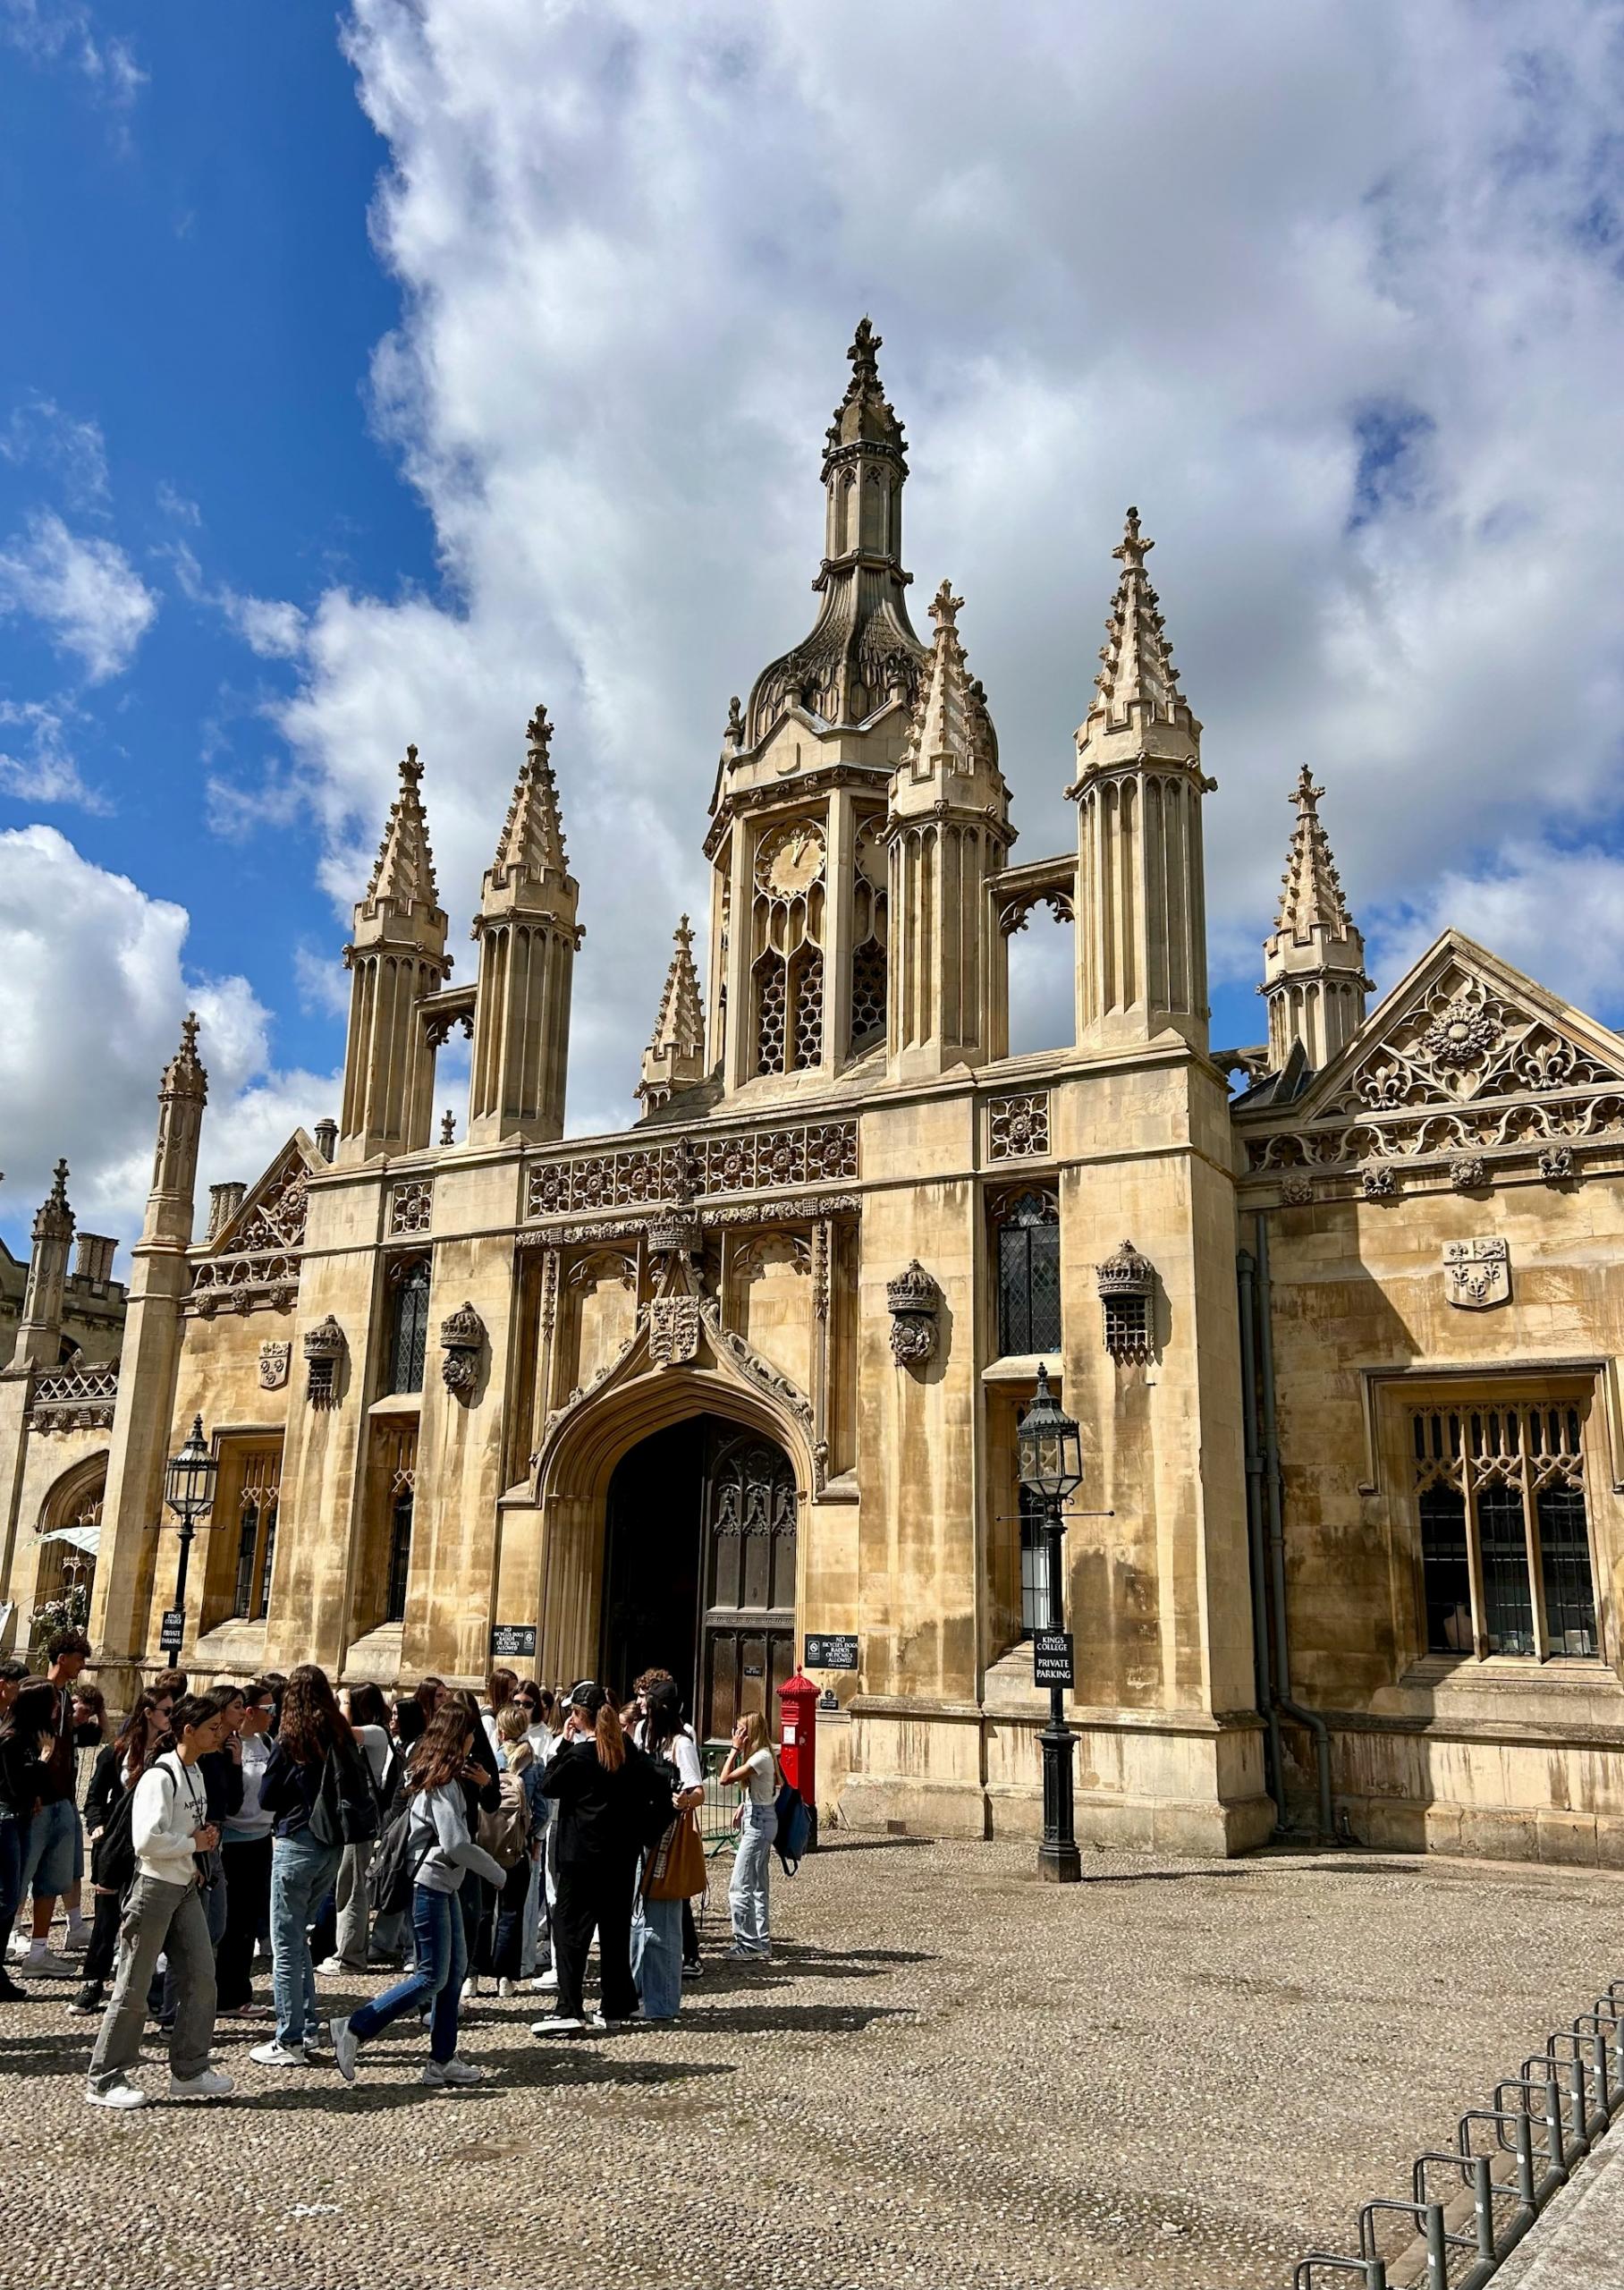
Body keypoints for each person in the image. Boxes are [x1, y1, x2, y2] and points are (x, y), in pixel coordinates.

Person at [328, 1696, 504, 2091]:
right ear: (459, 1737)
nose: (474, 1740)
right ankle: (355, 2026)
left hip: (443, 1885)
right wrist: (496, 1872)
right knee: (431, 1976)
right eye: (470, 1734)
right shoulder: (442, 1784)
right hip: (431, 1885)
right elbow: (456, 1843)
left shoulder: (446, 1778)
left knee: (453, 1972)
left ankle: (442, 2059)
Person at [84, 1692, 234, 2109]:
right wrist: (192, 1843)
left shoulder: (196, 1772)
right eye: (212, 1728)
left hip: (185, 1885)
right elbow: (146, 1841)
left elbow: (190, 1826)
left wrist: (200, 1850)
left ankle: (190, 2069)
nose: (219, 1735)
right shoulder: (159, 1776)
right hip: (154, 1889)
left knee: (203, 1976)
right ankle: (104, 2076)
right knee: (133, 1984)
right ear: (189, 1730)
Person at [531, 1681, 674, 2037]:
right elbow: (661, 1784)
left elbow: (548, 1785)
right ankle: (616, 2001)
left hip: (581, 1858)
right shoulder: (625, 1749)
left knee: (570, 1933)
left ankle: (569, 2005)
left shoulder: (579, 1757)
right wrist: (647, 1828)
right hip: (620, 1856)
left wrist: (564, 1743)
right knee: (614, 1932)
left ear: (579, 1717)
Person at [251, 1663, 358, 2068]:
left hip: (297, 1841)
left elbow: (266, 1797)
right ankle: (307, 2024)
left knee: (286, 1945)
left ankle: (290, 2036)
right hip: (331, 1844)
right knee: (301, 1940)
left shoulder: (292, 1738)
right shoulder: (339, 1734)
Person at [74, 1690, 171, 2016]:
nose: (171, 1718)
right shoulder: (117, 1751)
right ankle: (93, 1981)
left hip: (151, 1843)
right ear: (147, 1712)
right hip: (116, 1842)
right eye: (166, 1711)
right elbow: (94, 1797)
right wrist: (97, 1826)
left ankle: (145, 1987)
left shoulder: (170, 1754)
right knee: (106, 1917)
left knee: (146, 1918)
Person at [15, 1624, 92, 1974]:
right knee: (19, 1877)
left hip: (61, 1797)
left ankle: (38, 1951)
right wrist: (31, 1791)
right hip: (38, 1800)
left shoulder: (64, 1698)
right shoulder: (35, 1692)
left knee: (52, 1879)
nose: (82, 1667)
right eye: (78, 1660)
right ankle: (13, 1935)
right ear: (62, 1659)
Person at [631, 1683, 706, 2022]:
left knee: (664, 1925)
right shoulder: (645, 1739)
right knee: (642, 1923)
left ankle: (662, 2002)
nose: (644, 1710)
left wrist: (684, 1800)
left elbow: (698, 1791)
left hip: (668, 1838)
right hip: (644, 1836)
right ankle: (644, 1993)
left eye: (650, 1705)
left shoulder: (682, 1744)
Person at [313, 1681, 393, 1974]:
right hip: (349, 1819)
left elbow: (343, 1733)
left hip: (359, 1820)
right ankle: (342, 1948)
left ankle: (350, 1956)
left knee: (353, 1885)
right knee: (343, 1884)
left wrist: (343, 1700)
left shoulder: (375, 1733)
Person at [216, 1678, 276, 2014]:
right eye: (268, 1709)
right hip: (233, 1842)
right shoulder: (229, 1745)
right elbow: (230, 1799)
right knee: (231, 1922)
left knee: (248, 1921)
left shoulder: (267, 1741)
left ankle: (238, 1990)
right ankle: (229, 1994)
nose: (273, 1715)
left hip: (261, 1839)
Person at [0, 1680, 54, 2000]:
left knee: (12, 1895)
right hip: (5, 1818)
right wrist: (44, 1759)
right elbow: (18, 1784)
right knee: (7, 1898)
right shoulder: (10, 1740)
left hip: (19, 1818)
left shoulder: (26, 1739)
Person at [489, 1702, 544, 1997]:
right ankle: (506, 1979)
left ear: (500, 1731)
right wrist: (534, 1838)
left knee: (485, 1911)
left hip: (487, 1845)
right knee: (512, 1912)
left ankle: (472, 1975)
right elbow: (543, 1809)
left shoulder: (490, 1759)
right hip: (518, 1846)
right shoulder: (535, 1763)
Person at [719, 1709, 778, 1963]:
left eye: (741, 1730)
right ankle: (762, 1941)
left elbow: (724, 1779)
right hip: (760, 1816)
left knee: (740, 1885)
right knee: (757, 1886)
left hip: (759, 1824)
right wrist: (746, 1803)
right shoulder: (763, 1755)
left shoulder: (761, 1757)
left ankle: (747, 1942)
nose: (736, 1734)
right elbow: (772, 1786)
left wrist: (733, 1749)